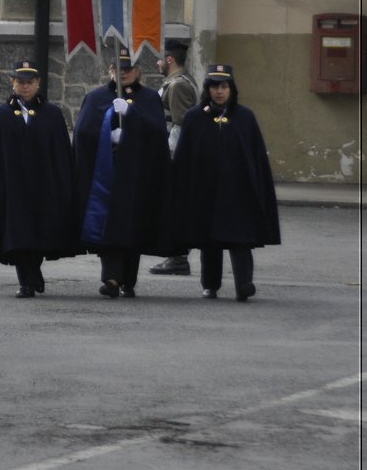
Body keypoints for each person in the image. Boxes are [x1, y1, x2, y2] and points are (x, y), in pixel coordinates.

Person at [0, 60, 79, 296]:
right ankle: (27, 281)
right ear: (12, 82)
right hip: (12, 187)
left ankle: (33, 273)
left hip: (42, 186)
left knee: (38, 234)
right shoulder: (1, 115)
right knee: (18, 235)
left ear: (38, 83)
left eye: (29, 82)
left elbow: (61, 154)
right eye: (20, 82)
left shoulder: (52, 114)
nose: (25, 86)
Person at [168, 64, 281, 300]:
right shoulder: (195, 118)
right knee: (209, 240)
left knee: (240, 239)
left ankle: (244, 284)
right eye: (214, 87)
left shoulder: (245, 117)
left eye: (224, 86)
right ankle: (210, 284)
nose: (219, 92)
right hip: (205, 190)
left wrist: (257, 188)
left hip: (237, 191)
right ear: (207, 90)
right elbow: (184, 157)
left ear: (231, 89)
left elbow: (256, 156)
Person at [74, 48, 170, 298]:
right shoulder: (95, 98)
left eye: (128, 69)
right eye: (118, 68)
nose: (123, 73)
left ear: (138, 71)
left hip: (137, 175)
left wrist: (131, 117)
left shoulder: (149, 98)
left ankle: (128, 279)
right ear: (110, 70)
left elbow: (158, 133)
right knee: (110, 229)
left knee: (132, 227)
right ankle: (111, 278)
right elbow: (83, 134)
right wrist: (107, 134)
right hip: (106, 175)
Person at [149, 40, 201, 276]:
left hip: (175, 155)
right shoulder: (177, 81)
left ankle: (178, 257)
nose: (158, 63)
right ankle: (176, 256)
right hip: (174, 153)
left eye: (161, 59)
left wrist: (170, 156)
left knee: (175, 206)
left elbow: (180, 124)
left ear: (169, 60)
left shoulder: (178, 85)